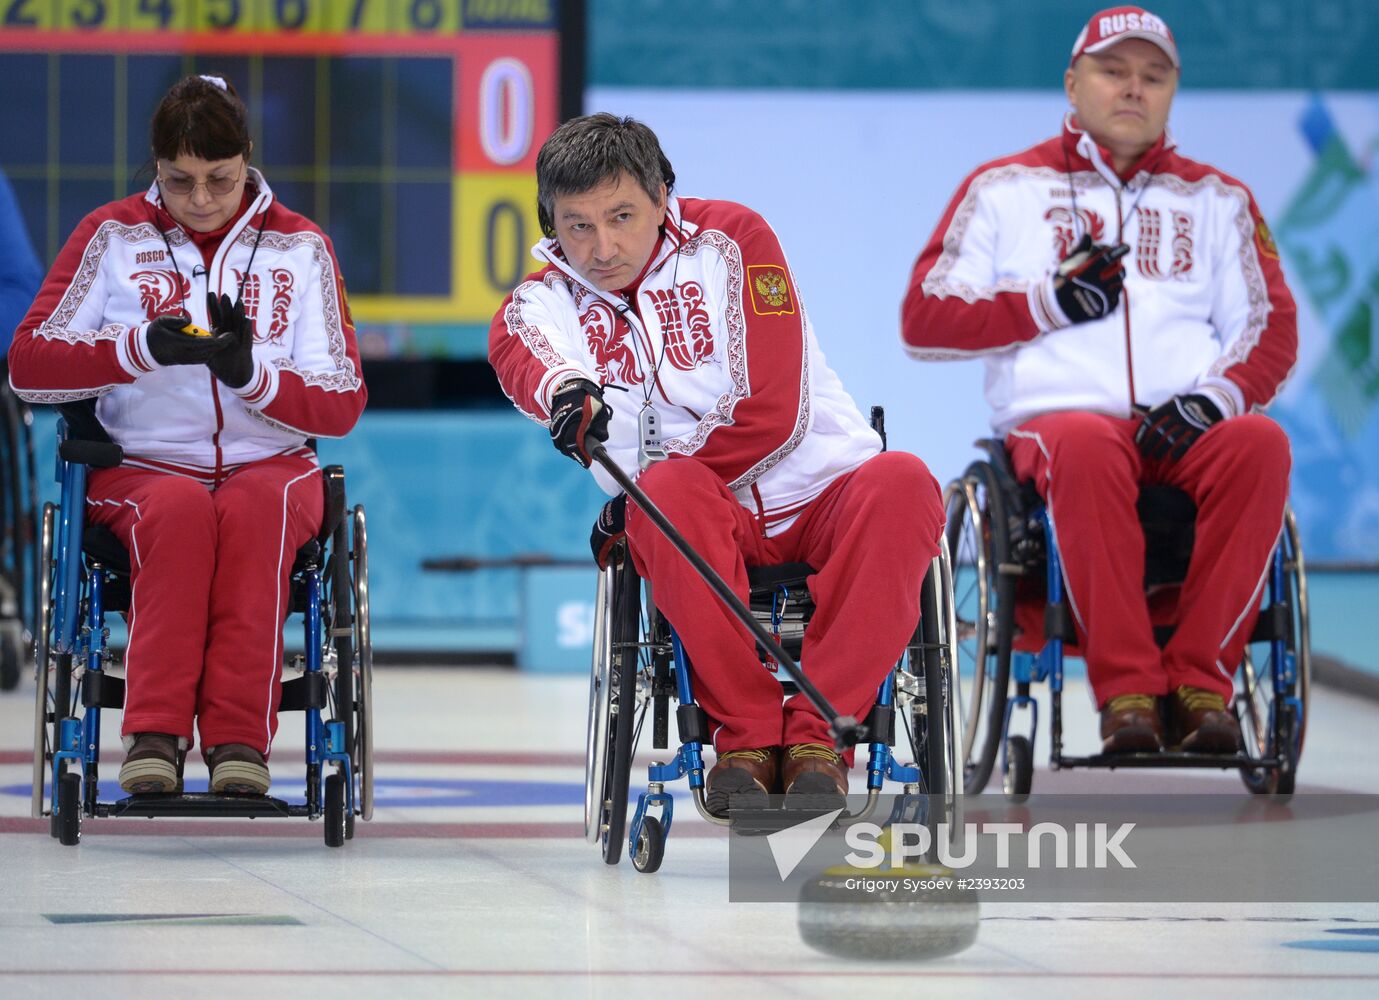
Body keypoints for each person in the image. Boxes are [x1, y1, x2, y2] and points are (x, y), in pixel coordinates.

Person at [490, 113, 945, 814]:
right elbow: (532, 359)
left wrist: (643, 496)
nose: (602, 247)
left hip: (825, 490)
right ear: (549, 221)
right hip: (697, 519)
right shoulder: (541, 303)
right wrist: (568, 395)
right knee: (667, 492)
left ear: (662, 194)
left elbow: (771, 412)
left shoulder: (732, 239)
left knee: (905, 480)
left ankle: (818, 737)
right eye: (576, 225)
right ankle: (747, 739)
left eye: (621, 216)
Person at [902, 6, 1296, 754]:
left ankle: (1201, 687)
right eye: (1113, 71)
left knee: (1259, 444)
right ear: (1072, 83)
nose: (1132, 89)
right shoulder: (1004, 187)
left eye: (1152, 77)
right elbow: (927, 317)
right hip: (1060, 423)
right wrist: (1045, 303)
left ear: (1172, 91)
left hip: (1186, 420)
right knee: (1083, 444)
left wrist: (1214, 396)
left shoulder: (1219, 199)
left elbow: (1269, 326)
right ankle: (1128, 698)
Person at [8, 74, 366, 795]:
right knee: (178, 513)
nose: (200, 200)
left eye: (220, 180)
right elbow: (27, 367)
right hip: (140, 466)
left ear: (248, 162)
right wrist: (137, 347)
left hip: (273, 464)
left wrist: (252, 374)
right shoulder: (109, 235)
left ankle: (239, 740)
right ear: (155, 163)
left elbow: (343, 403)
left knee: (252, 508)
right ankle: (155, 733)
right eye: (179, 180)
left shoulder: (301, 248)